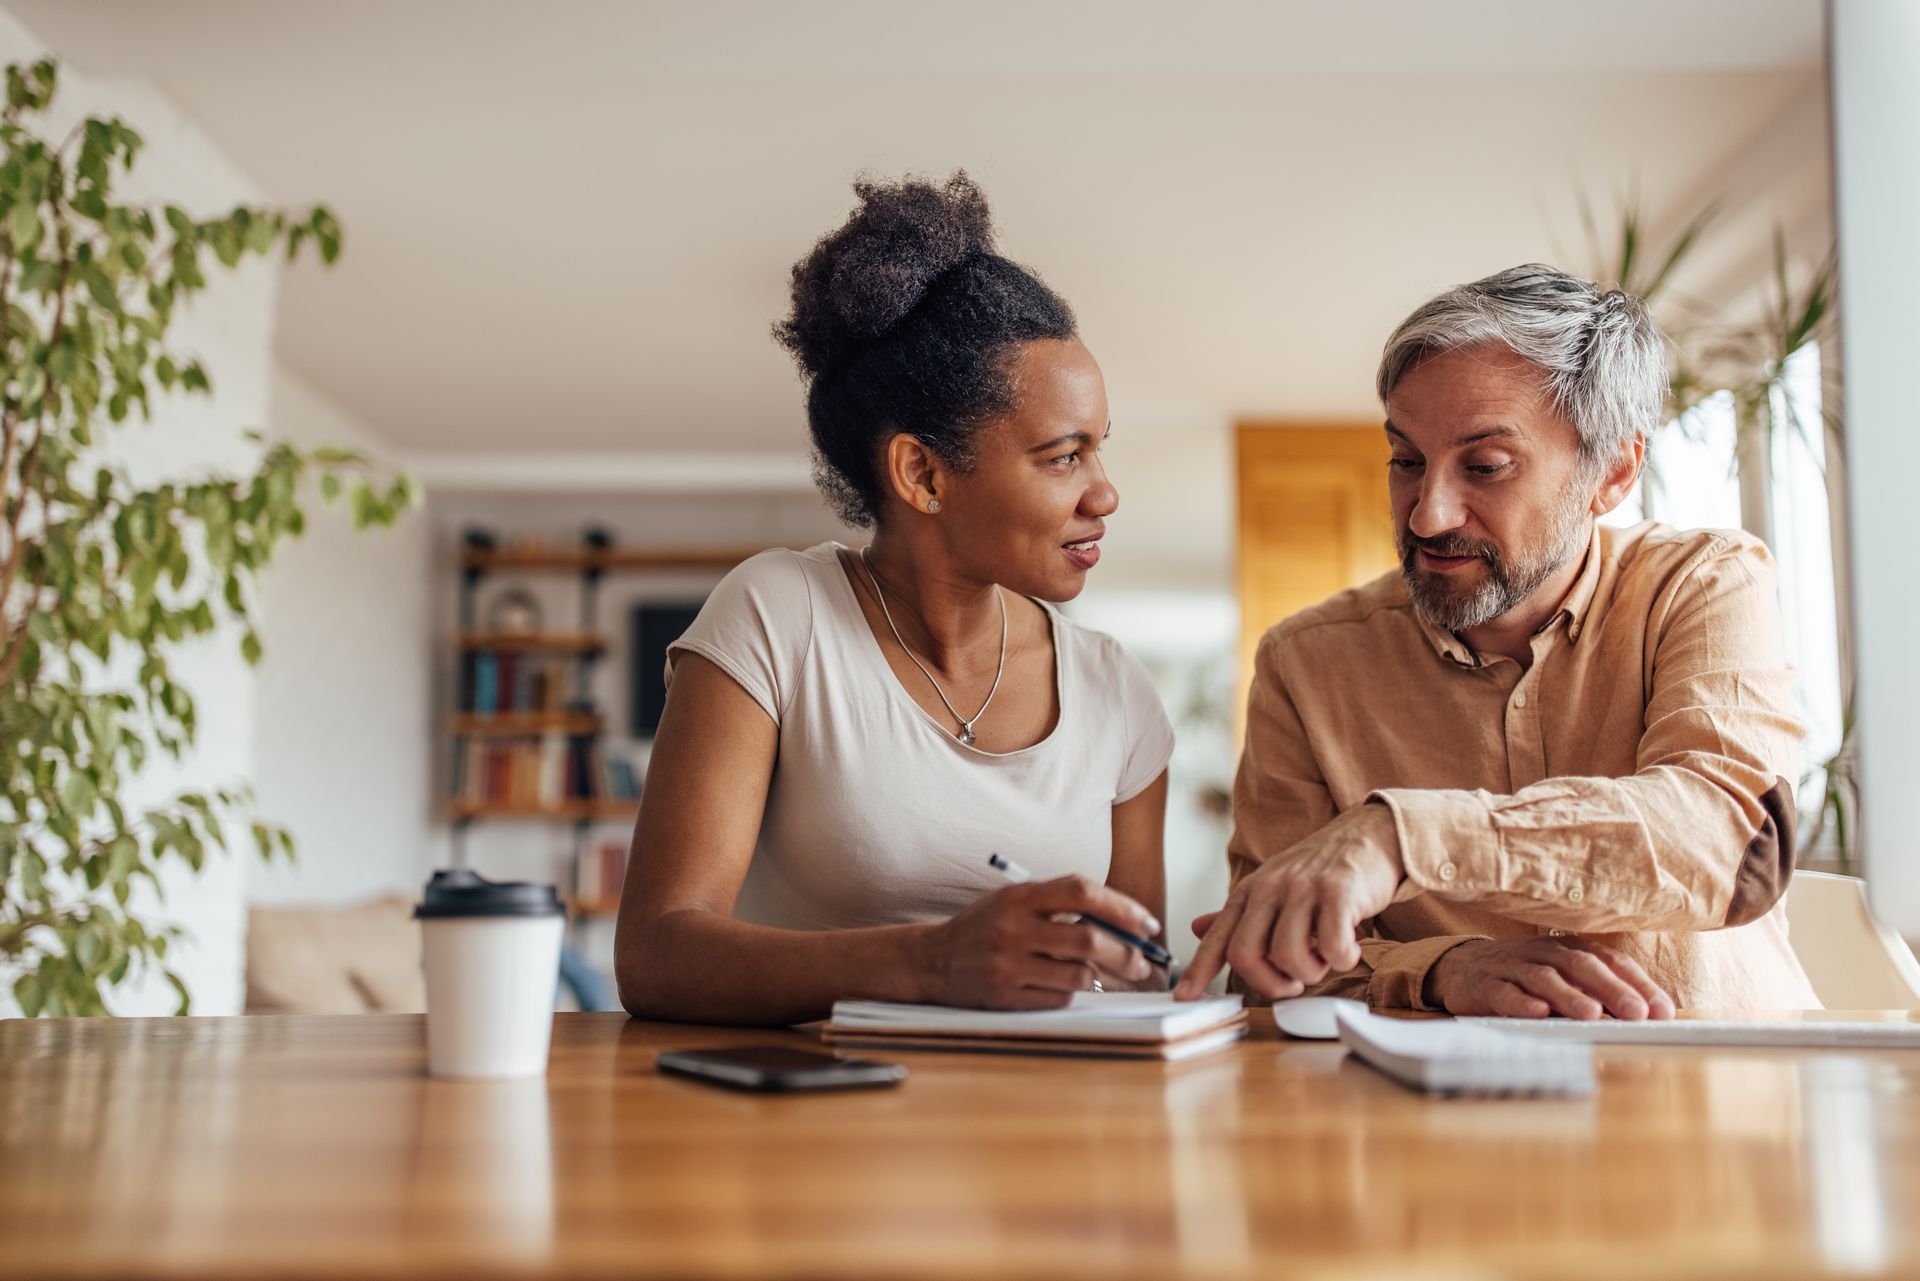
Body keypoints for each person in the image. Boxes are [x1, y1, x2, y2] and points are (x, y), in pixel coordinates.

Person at [1176, 265, 1820, 1016]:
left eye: (1485, 466)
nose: (1427, 516)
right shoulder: (1305, 663)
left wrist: (1403, 835)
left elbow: (1731, 843)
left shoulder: (1705, 582)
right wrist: (1439, 970)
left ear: (1612, 471)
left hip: (1716, 1097)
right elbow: (1265, 962)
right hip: (1432, 1118)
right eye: (1407, 462)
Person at [615, 173, 1174, 1026]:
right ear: (922, 473)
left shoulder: (1115, 689)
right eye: (1064, 456)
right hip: (807, 1125)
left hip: (1044, 1129)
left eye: (1099, 451)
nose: (1105, 494)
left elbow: (1140, 978)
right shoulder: (775, 616)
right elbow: (656, 952)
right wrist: (935, 960)